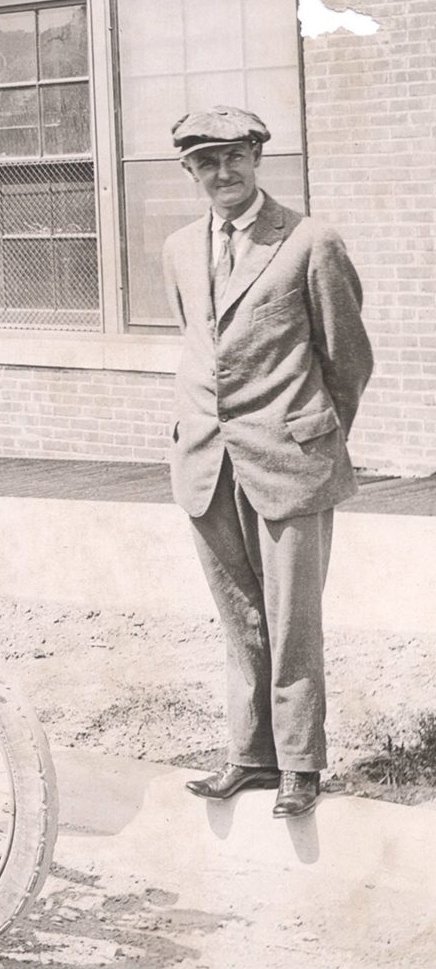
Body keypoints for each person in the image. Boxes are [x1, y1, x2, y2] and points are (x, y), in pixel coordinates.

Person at [162, 106, 373, 819]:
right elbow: (200, 342)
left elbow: (348, 358)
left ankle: (300, 763)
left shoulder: (310, 241)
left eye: (234, 157)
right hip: (206, 460)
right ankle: (251, 754)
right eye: (205, 162)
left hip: (290, 461)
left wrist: (314, 436)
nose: (222, 172)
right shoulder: (180, 248)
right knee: (239, 616)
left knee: (292, 620)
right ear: (189, 170)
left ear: (256, 157)